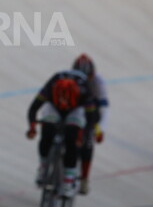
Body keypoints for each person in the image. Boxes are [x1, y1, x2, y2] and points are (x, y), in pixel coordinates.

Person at [26, 68, 100, 198]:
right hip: (53, 106)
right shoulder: (50, 87)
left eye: (66, 102)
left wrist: (81, 136)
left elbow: (91, 120)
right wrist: (32, 127)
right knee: (46, 132)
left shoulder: (85, 93)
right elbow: (33, 108)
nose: (64, 105)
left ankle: (68, 181)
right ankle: (43, 167)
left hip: (76, 108)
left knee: (72, 139)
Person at [71, 54, 108, 195]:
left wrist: (100, 129)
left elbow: (104, 108)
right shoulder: (68, 77)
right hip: (73, 108)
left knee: (87, 142)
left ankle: (84, 179)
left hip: (91, 111)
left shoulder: (99, 83)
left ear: (93, 75)